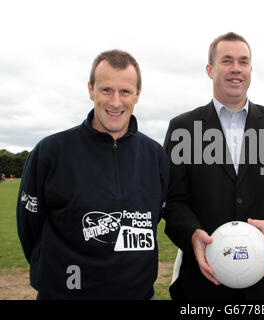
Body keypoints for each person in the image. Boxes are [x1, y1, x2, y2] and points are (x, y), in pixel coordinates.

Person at [163, 32, 264, 300]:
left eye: (243, 62)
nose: (236, 69)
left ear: (251, 69)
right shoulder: (182, 128)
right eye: (227, 60)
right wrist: (191, 234)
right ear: (210, 69)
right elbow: (173, 201)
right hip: (203, 283)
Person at [16, 50, 169, 299]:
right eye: (106, 90)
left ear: (138, 94)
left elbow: (156, 218)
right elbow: (29, 227)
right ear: (91, 90)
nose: (116, 102)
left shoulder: (155, 156)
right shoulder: (51, 151)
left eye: (126, 92)